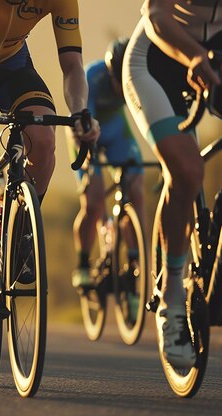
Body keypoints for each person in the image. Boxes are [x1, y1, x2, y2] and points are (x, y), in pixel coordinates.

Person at [0, 0, 100, 335]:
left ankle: (24, 231)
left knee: (44, 140)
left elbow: (72, 67)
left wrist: (81, 111)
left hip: (15, 69)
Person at [123, 0, 222, 369]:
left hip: (216, 51)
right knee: (187, 172)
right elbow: (156, 14)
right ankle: (172, 295)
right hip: (157, 60)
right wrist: (194, 55)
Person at [69, 38, 145, 288]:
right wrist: (90, 161)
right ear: (111, 72)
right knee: (94, 201)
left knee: (136, 189)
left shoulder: (134, 76)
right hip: (85, 132)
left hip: (114, 132)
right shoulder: (93, 77)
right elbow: (81, 121)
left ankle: (135, 260)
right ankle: (82, 263)